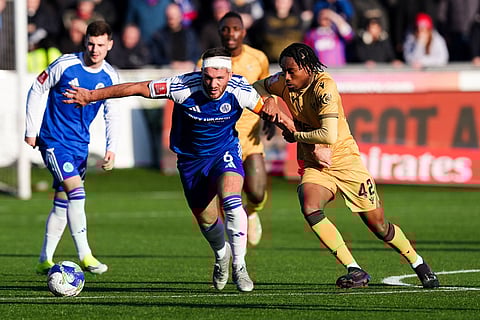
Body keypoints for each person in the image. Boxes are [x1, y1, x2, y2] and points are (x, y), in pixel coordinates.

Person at [62, 47, 287, 292]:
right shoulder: (181, 86)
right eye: (208, 77)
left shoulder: (240, 90)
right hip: (191, 162)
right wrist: (91, 96)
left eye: (219, 78)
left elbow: (270, 108)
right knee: (207, 221)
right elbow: (136, 88)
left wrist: (289, 124)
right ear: (201, 73)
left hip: (224, 153)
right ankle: (222, 256)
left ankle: (240, 266)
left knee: (232, 200)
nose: (213, 84)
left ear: (229, 75)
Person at [252, 42, 440, 289]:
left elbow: (328, 136)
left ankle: (418, 263)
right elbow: (254, 87)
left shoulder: (325, 87)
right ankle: (355, 269)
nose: (286, 77)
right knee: (309, 205)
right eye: (284, 71)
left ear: (308, 68)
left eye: (292, 71)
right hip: (315, 163)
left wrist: (293, 133)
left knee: (379, 226)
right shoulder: (282, 82)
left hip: (345, 161)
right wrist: (268, 101)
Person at [25, 21, 120, 276]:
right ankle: (85, 255)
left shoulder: (110, 76)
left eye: (100, 44)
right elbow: (37, 88)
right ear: (84, 41)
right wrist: (31, 130)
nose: (94, 49)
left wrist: (112, 147)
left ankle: (44, 260)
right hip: (54, 141)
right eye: (90, 43)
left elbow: (112, 113)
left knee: (62, 201)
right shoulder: (65, 64)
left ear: (109, 45)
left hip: (80, 145)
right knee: (76, 192)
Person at [217, 11, 273, 246]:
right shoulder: (209, 62)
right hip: (221, 139)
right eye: (226, 29)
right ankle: (230, 241)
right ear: (220, 33)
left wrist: (271, 115)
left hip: (249, 137)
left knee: (257, 192)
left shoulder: (258, 58)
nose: (231, 34)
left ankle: (251, 212)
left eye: (235, 29)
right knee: (227, 196)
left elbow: (267, 90)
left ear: (244, 32)